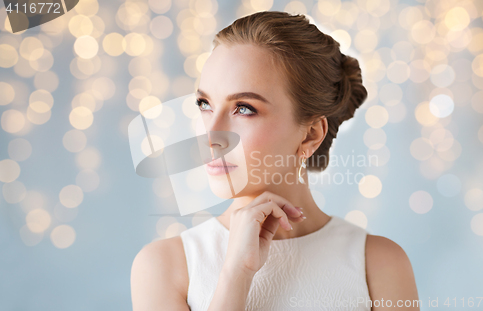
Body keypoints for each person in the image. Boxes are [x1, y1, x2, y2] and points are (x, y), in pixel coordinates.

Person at [131, 11, 420, 311]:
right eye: (205, 104)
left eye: (243, 108)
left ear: (310, 134)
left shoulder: (379, 265)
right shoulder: (164, 267)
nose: (210, 137)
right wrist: (235, 274)